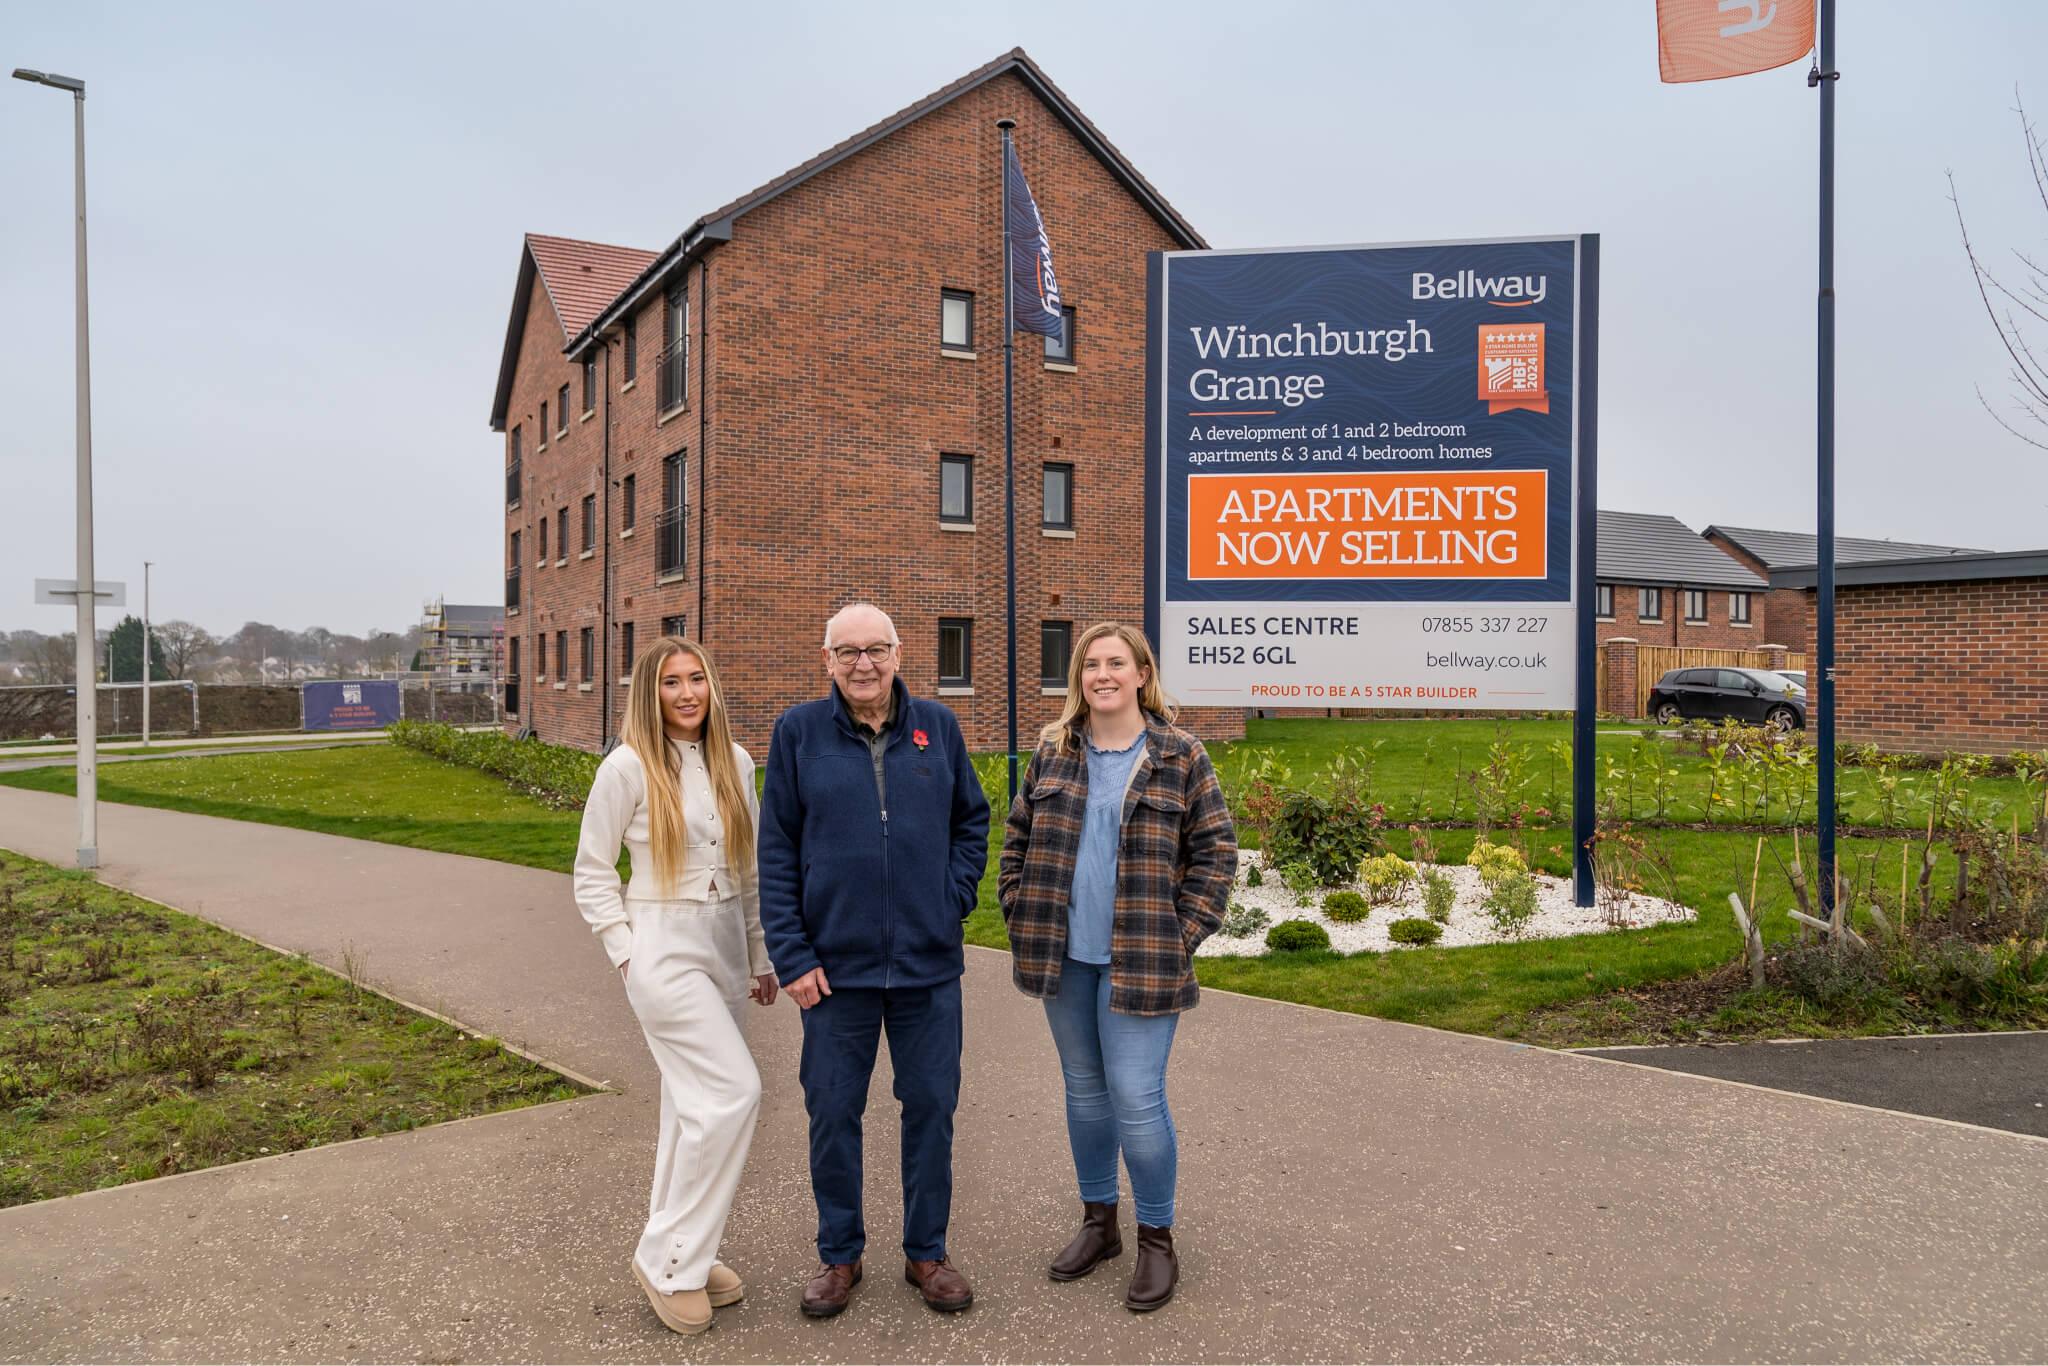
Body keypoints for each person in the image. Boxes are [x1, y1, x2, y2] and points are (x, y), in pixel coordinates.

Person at [757, 602, 991, 1319]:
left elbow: (972, 821)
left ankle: (927, 1252)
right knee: (832, 1112)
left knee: (930, 1109)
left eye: (876, 650)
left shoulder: (938, 729)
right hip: (833, 975)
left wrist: (949, 899)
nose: (864, 664)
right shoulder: (799, 733)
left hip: (927, 969)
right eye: (848, 652)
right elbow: (775, 853)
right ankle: (839, 1255)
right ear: (827, 660)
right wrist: (791, 955)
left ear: (898, 653)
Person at [997, 622, 1237, 1312]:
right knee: (1084, 1091)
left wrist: (1179, 933)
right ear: (1080, 680)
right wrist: (1019, 908)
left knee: (1136, 1097)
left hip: (1141, 960)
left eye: (1115, 663)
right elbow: (1016, 838)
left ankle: (1156, 1238)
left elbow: (1217, 853)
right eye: (1090, 665)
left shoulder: (1178, 755)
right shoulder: (1055, 753)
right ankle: (1099, 1223)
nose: (1102, 674)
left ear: (1140, 674)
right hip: (1063, 957)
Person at [572, 637, 779, 1336]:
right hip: (661, 943)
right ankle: (668, 1260)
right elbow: (591, 872)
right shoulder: (626, 768)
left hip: (723, 942)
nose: (687, 693)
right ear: (648, 694)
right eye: (671, 683)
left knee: (691, 1108)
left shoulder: (736, 761)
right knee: (734, 1094)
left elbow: (748, 873)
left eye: (697, 679)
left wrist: (759, 959)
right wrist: (627, 955)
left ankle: (693, 1248)